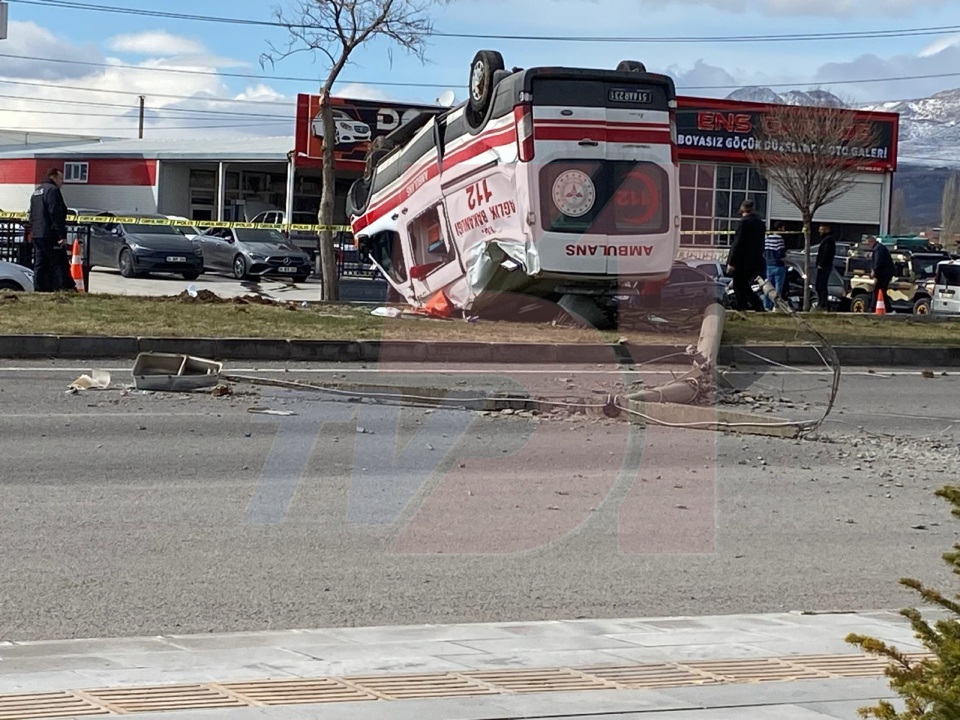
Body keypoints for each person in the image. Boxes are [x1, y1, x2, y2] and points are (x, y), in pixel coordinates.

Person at [27, 167, 68, 292]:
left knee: (40, 263)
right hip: (50, 234)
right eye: (60, 178)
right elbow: (55, 212)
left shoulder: (36, 192)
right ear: (53, 177)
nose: (62, 182)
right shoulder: (53, 190)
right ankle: (60, 288)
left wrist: (32, 230)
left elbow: (31, 214)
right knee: (57, 263)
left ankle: (39, 288)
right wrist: (61, 234)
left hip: (38, 234)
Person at [726, 199, 766, 311]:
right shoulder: (760, 223)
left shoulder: (744, 223)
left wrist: (731, 262)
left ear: (742, 209)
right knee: (743, 284)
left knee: (739, 285)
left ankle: (747, 306)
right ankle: (755, 306)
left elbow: (738, 243)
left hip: (741, 261)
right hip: (754, 260)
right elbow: (761, 244)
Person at [863, 235, 894, 313]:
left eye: (868, 244)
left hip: (883, 274)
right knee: (881, 291)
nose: (868, 246)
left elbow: (878, 262)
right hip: (886, 273)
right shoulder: (880, 248)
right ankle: (887, 308)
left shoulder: (878, 249)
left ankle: (873, 308)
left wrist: (875, 273)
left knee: (878, 290)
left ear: (871, 242)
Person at [763, 222, 787, 310]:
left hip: (769, 265)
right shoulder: (780, 240)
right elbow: (780, 254)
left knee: (769, 287)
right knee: (778, 288)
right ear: (779, 228)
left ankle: (766, 305)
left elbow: (764, 253)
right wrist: (785, 260)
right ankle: (776, 306)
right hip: (779, 266)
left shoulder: (767, 239)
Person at [814, 224, 837, 310]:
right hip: (823, 266)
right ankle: (821, 302)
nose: (819, 231)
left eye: (821, 229)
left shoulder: (828, 240)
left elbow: (826, 253)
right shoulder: (826, 239)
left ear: (826, 230)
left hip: (824, 266)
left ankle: (823, 303)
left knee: (821, 285)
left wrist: (821, 264)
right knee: (819, 286)